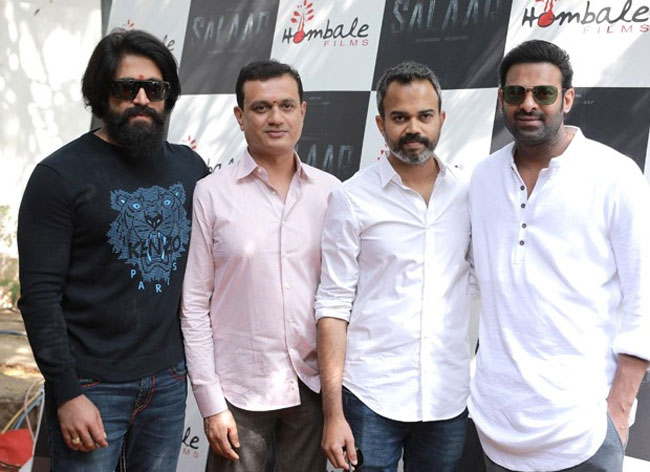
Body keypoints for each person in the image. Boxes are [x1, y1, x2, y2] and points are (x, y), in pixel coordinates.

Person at [17, 29, 209, 471]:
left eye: (154, 88)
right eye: (126, 88)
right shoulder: (58, 176)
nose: (141, 99)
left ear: (167, 96)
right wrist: (67, 393)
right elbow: (40, 298)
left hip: (168, 380)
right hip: (91, 385)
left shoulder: (191, 168)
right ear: (102, 94)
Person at [468, 39, 650, 472]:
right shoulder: (483, 177)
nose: (528, 104)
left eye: (543, 93)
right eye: (516, 93)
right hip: (495, 427)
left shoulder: (615, 175)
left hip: (584, 431)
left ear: (567, 99)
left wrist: (618, 408)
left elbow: (644, 297)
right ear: (502, 99)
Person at [180, 59, 340, 472]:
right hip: (238, 391)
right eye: (261, 107)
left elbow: (342, 298)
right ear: (240, 116)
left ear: (303, 111)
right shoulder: (211, 193)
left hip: (311, 386)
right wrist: (211, 403)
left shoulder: (332, 193)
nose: (275, 118)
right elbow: (194, 305)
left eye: (286, 106)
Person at [316, 61, 474, 472]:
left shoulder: (469, 195)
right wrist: (333, 413)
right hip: (370, 397)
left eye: (424, 116)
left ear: (441, 119)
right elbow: (332, 306)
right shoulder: (352, 199)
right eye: (400, 117)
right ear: (381, 124)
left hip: (447, 398)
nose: (413, 128)